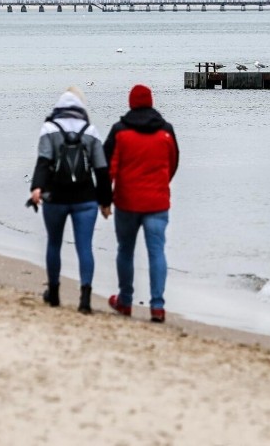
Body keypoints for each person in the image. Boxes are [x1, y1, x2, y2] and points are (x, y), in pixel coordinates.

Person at [29, 87, 112, 313]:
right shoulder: (91, 130)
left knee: (53, 243)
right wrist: (106, 202)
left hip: (55, 198)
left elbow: (43, 163)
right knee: (85, 247)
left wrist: (36, 188)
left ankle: (54, 293)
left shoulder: (49, 128)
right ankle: (84, 300)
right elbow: (101, 170)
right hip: (85, 199)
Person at [103, 84, 179, 323]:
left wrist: (104, 199)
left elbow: (107, 168)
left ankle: (125, 301)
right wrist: (161, 184)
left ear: (131, 102)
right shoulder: (166, 131)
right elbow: (173, 162)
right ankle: (157, 306)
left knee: (125, 250)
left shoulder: (119, 131)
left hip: (126, 202)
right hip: (157, 202)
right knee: (157, 252)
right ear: (151, 102)